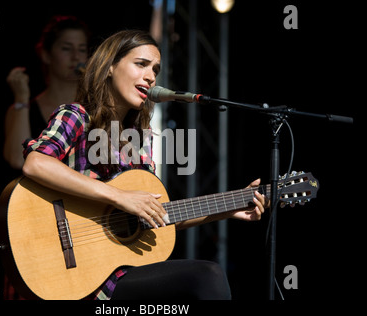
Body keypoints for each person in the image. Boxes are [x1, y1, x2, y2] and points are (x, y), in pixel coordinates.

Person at [21, 29, 269, 300]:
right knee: (207, 275)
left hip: (122, 272)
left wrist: (228, 208)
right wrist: (119, 197)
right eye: (141, 64)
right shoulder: (77, 116)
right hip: (81, 275)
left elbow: (156, 215)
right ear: (110, 67)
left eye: (155, 70)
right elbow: (36, 163)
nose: (151, 76)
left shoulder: (141, 140)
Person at [3, 15, 90, 170]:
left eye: (82, 50)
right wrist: (21, 98)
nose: (76, 57)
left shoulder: (95, 107)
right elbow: (18, 159)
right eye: (66, 48)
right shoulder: (22, 109)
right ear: (46, 54)